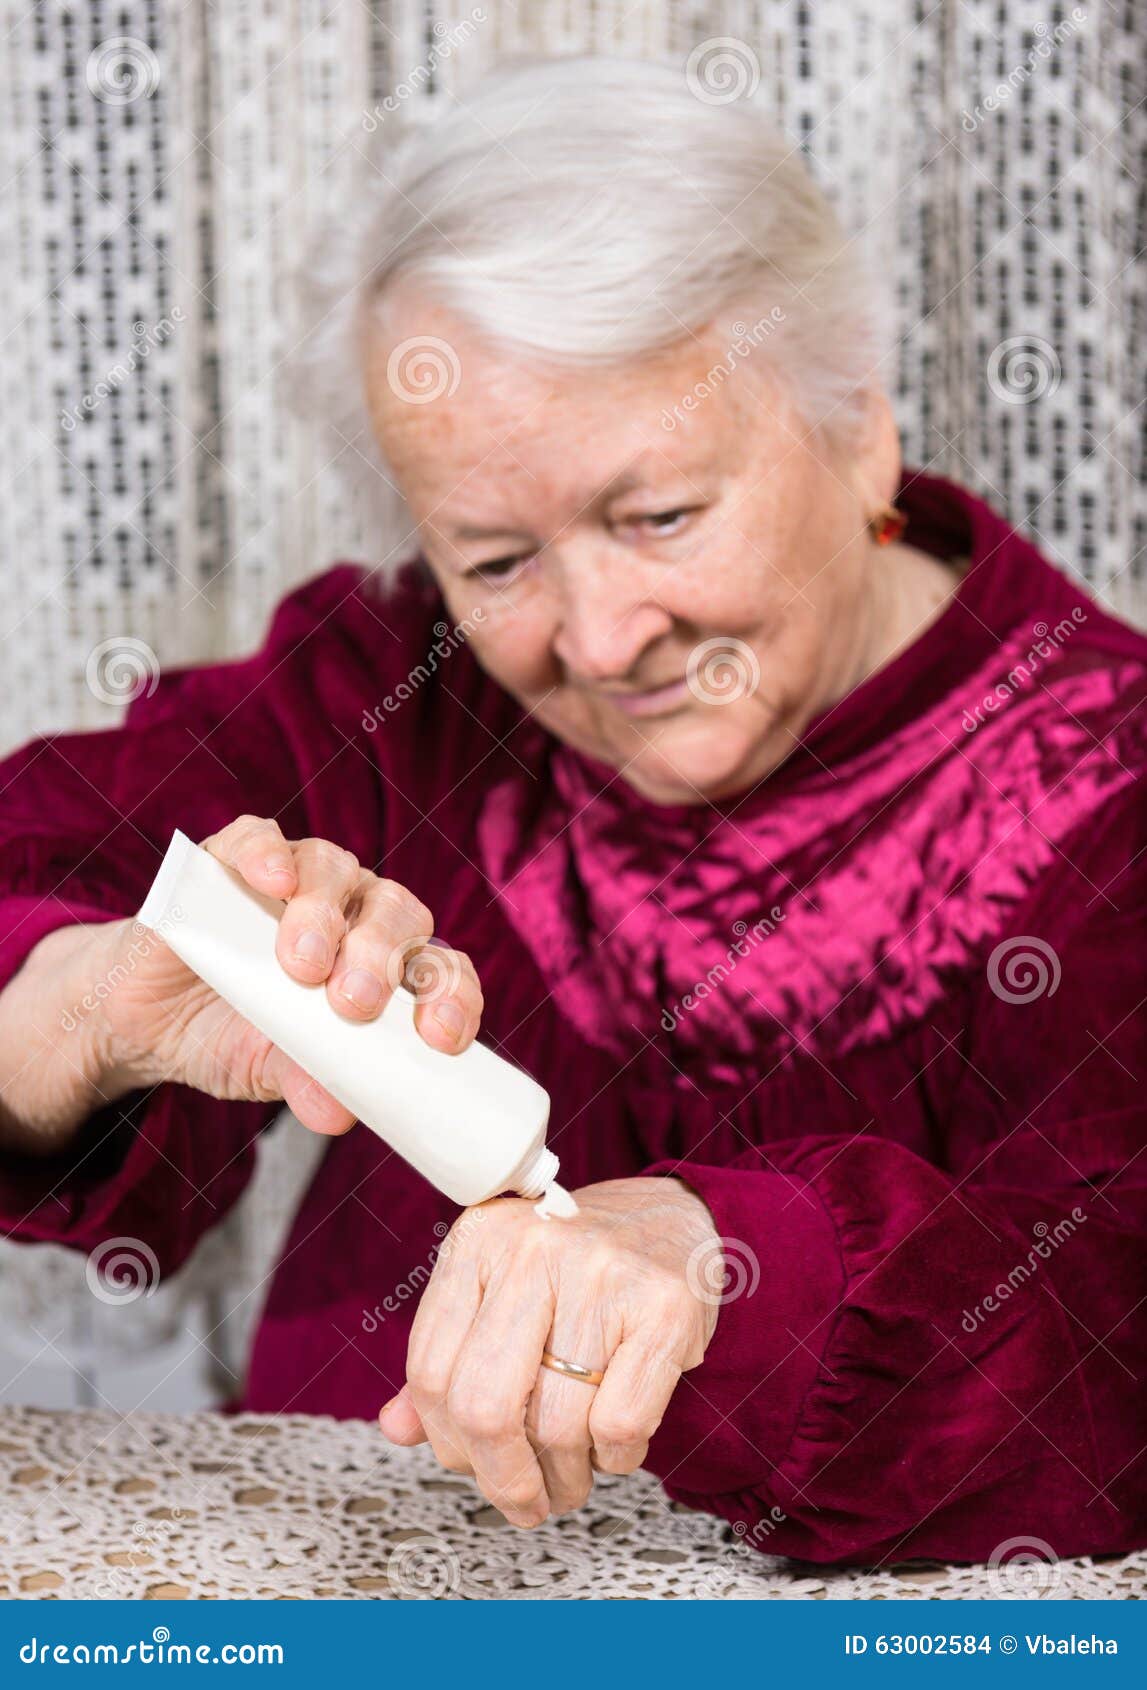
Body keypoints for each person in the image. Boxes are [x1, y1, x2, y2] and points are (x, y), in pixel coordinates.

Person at [0, 56, 1143, 1567]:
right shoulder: (391, 680)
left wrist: (721, 1265)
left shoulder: (1106, 781)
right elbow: (59, 851)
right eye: (495, 560)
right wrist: (59, 1013)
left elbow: (1107, 1335)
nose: (598, 642)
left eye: (659, 514)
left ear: (859, 431)